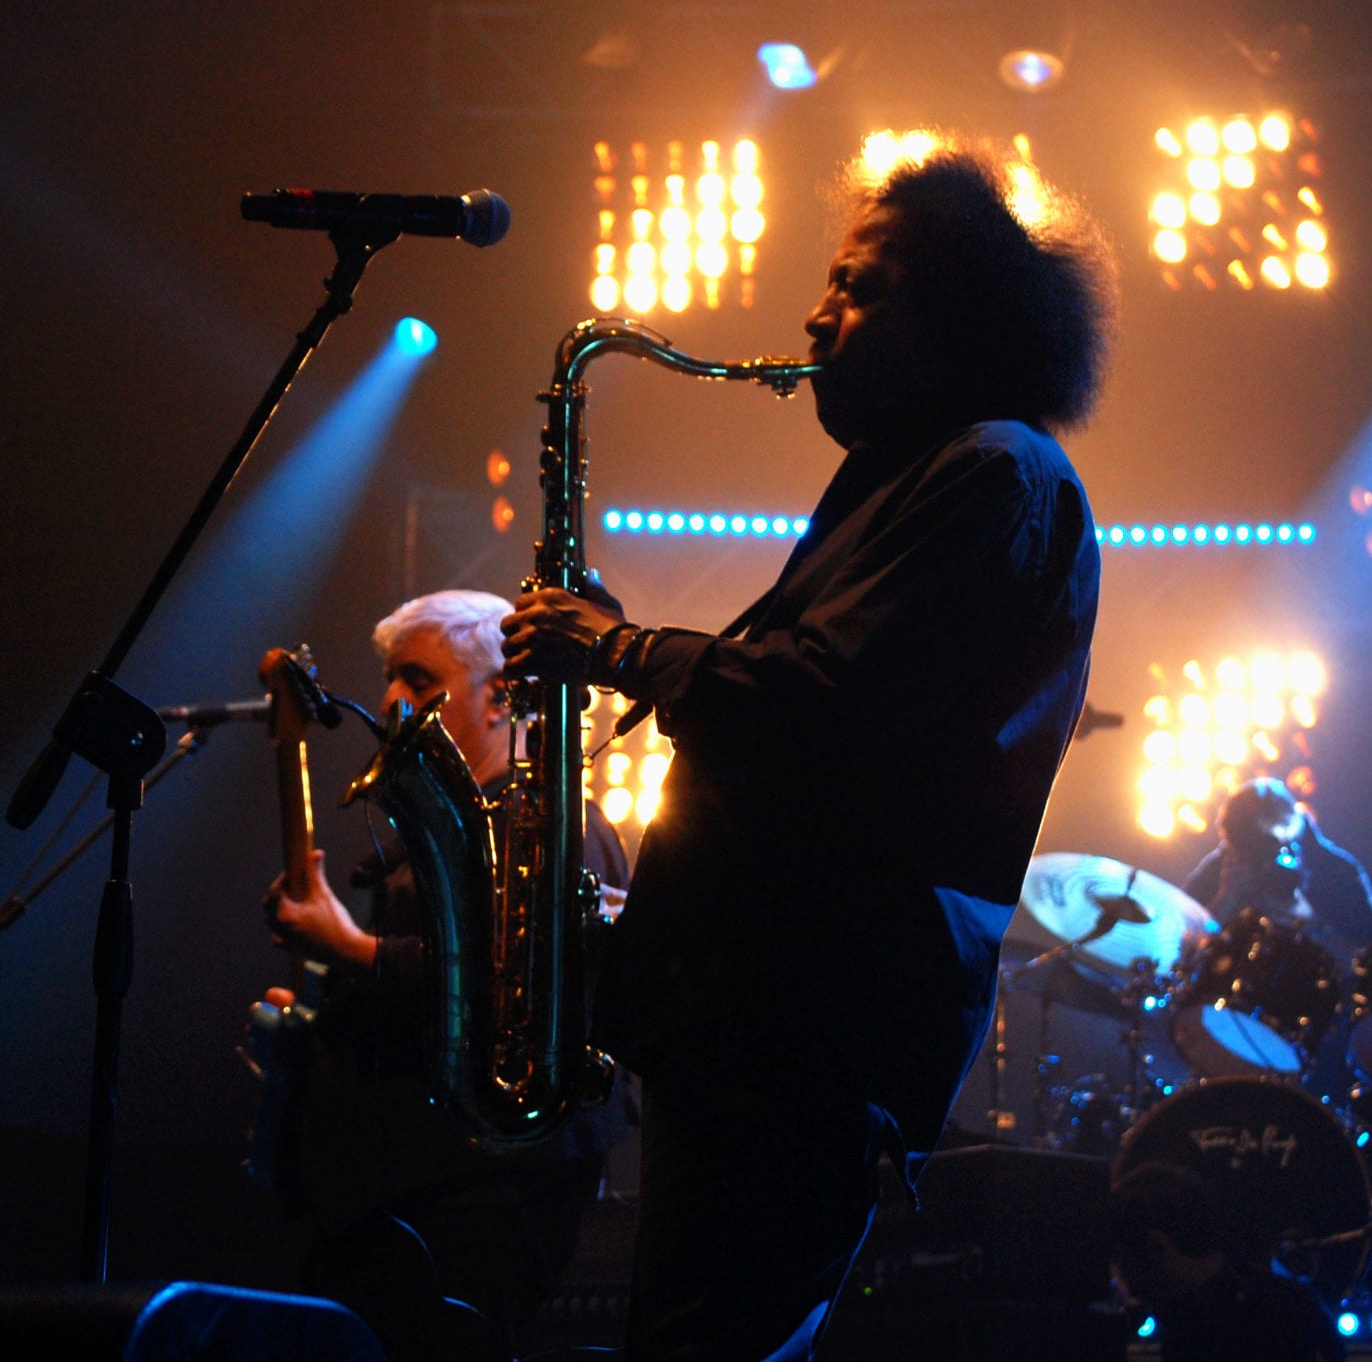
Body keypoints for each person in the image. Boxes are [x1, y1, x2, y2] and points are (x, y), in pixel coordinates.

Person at [501, 132, 1114, 1360]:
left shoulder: (994, 472)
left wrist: (620, 649)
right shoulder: (916, 479)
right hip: (755, 1017)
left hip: (802, 1030)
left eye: (855, 287)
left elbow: (821, 703)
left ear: (954, 321)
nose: (812, 315)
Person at [258, 589, 631, 1361]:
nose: (390, 700)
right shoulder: (435, 836)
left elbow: (523, 986)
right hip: (408, 1187)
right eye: (390, 678)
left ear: (500, 698)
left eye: (420, 680)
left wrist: (350, 949)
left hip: (487, 1187)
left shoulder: (551, 826)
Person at [1111, 1161, 1346, 1362]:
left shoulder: (1192, 1329)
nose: (1125, 1285)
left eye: (1123, 1260)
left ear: (1159, 1245)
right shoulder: (1291, 1304)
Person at [1183, 777, 1372, 970]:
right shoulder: (1220, 870)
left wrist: (1309, 919)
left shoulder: (1334, 870)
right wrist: (1222, 901)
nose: (1259, 864)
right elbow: (1177, 946)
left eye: (1265, 851)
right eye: (1246, 852)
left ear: (1290, 837)